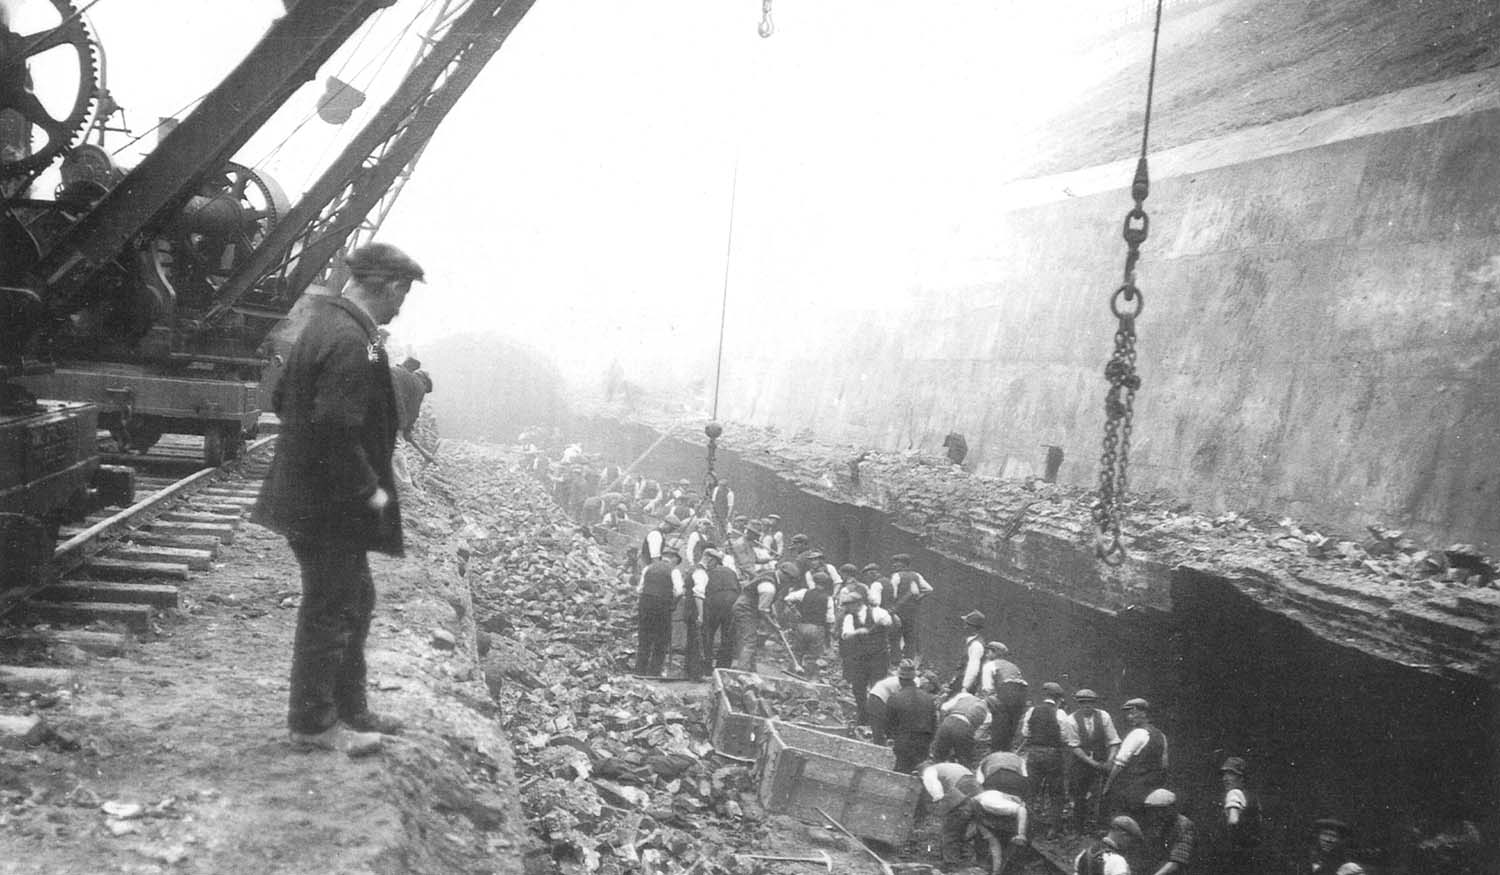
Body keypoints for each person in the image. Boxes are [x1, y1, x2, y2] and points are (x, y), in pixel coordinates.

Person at [253, 242, 426, 756]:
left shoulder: (342, 328)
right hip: (329, 505)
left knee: (356, 597)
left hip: (319, 498)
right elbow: (334, 426)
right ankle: (313, 723)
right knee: (332, 605)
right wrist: (370, 491)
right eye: (402, 296)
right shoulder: (351, 338)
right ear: (390, 287)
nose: (401, 307)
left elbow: (283, 397)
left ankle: (351, 708)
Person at [1015, 682, 1078, 837]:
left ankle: (1026, 826)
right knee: (1056, 791)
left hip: (1034, 753)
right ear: (1059, 699)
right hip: (1053, 754)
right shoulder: (1060, 714)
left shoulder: (1032, 710)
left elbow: (1025, 732)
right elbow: (1065, 737)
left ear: (1045, 696)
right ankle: (1054, 828)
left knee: (1031, 790)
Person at [1103, 698, 1168, 820]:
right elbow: (1164, 764)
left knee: (1115, 809)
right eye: (1128, 714)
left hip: (1132, 787)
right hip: (1153, 784)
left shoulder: (1136, 734)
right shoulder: (1161, 735)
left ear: (1144, 713)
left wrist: (1107, 786)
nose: (1130, 717)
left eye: (1133, 713)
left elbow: (1119, 765)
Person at [1068, 689, 1121, 833]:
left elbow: (1114, 741)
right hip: (1081, 761)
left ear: (1094, 703)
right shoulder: (1071, 719)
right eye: (1083, 702)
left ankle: (1101, 826)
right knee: (1079, 794)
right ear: (1079, 704)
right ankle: (1079, 828)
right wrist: (1092, 763)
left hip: (1102, 760)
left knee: (1103, 793)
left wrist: (1110, 760)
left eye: (1090, 702)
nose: (1087, 705)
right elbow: (1074, 746)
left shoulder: (1104, 716)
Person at [838, 584, 892, 725]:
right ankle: (863, 717)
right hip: (860, 659)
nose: (846, 608)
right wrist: (857, 632)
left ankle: (877, 718)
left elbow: (889, 622)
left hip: (879, 658)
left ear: (858, 604)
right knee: (858, 688)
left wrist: (884, 620)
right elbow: (846, 634)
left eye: (848, 605)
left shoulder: (877, 612)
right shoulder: (849, 618)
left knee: (877, 688)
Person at [920, 761, 984, 869]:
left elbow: (935, 790)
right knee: (967, 826)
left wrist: (939, 802)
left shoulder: (928, 771)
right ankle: (964, 855)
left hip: (960, 790)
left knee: (951, 829)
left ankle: (950, 863)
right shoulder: (948, 766)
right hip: (977, 789)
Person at [635, 547, 684, 676]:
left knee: (644, 637)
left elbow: (640, 589)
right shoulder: (674, 571)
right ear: (673, 559)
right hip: (662, 606)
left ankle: (640, 670)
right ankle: (654, 671)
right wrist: (673, 604)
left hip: (645, 604)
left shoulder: (648, 568)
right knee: (661, 639)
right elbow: (679, 591)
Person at [884, 660, 937, 773]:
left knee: (900, 774)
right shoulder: (928, 699)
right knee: (919, 774)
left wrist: (893, 738)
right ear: (914, 678)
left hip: (903, 742)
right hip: (923, 743)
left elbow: (888, 725)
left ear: (899, 679)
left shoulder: (895, 698)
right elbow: (934, 724)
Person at [1215, 756, 1261, 875]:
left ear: (1242, 777)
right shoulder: (1251, 797)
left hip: (1235, 857)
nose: (1225, 778)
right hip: (1251, 855)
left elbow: (1233, 820)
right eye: (1224, 774)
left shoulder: (1233, 793)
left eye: (1231, 774)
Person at [981, 641, 1029, 752]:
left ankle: (996, 753)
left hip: (1004, 698)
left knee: (998, 734)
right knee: (1009, 735)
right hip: (1020, 701)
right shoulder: (1014, 666)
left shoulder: (990, 665)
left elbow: (987, 689)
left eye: (988, 651)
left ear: (994, 652)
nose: (986, 654)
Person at [884, 554, 932, 664]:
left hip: (898, 612)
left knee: (895, 636)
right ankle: (908, 662)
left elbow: (892, 594)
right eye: (894, 563)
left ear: (904, 564)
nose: (894, 565)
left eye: (897, 563)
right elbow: (929, 589)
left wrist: (891, 608)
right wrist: (919, 597)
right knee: (910, 636)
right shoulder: (917, 575)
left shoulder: (896, 576)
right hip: (912, 612)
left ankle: (896, 662)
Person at [783, 570, 833, 675]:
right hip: (817, 628)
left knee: (797, 651)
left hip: (802, 625)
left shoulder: (804, 592)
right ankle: (808, 676)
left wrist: (795, 611)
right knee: (813, 655)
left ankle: (792, 671)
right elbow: (830, 619)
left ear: (814, 581)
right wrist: (828, 633)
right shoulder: (828, 598)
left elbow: (787, 598)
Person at [970, 790, 1031, 875]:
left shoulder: (988, 802)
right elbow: (993, 843)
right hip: (1007, 824)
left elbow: (1021, 810)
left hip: (1023, 821)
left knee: (1014, 855)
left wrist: (1021, 833)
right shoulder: (978, 812)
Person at [699, 549, 741, 670]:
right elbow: (738, 589)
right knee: (728, 635)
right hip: (733, 601)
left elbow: (703, 591)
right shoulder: (731, 572)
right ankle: (723, 667)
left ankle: (706, 665)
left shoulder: (708, 572)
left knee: (708, 632)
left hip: (716, 601)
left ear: (712, 561)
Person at [732, 569, 777, 673]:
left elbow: (767, 603)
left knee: (750, 639)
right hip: (746, 609)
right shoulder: (768, 587)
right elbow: (763, 610)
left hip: (748, 608)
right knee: (749, 641)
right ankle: (742, 671)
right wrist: (773, 624)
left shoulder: (771, 577)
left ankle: (751, 669)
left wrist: (773, 614)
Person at [1141, 789, 1195, 875]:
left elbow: (1177, 862)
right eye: (1154, 810)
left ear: (1172, 808)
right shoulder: (1157, 825)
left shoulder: (1184, 825)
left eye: (1162, 810)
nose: (1158, 814)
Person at [932, 688, 990, 766]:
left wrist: (942, 723)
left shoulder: (963, 696)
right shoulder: (988, 714)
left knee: (938, 758)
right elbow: (976, 736)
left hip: (948, 721)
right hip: (965, 728)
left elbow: (943, 708)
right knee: (964, 761)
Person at [1075, 816, 1144, 875]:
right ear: (1123, 835)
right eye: (1131, 840)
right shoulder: (1117, 861)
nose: (1129, 844)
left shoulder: (1083, 854)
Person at [954, 611, 987, 695]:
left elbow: (973, 668)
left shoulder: (976, 645)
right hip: (961, 682)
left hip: (968, 687)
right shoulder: (969, 641)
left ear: (972, 627)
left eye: (966, 624)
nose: (964, 627)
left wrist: (965, 687)